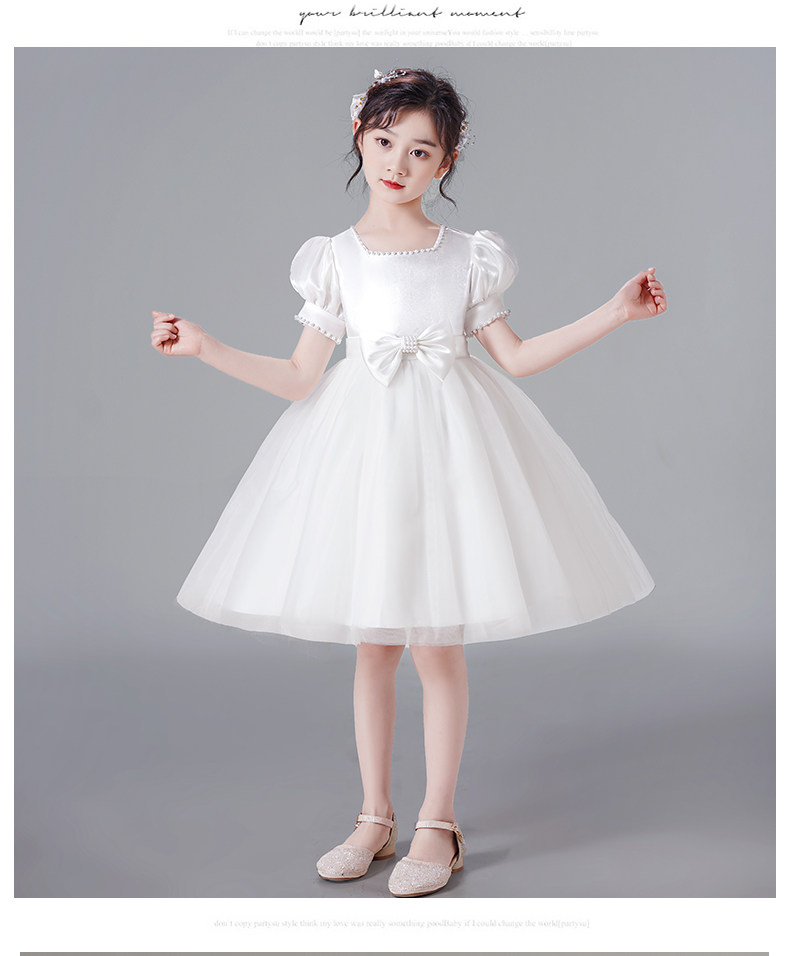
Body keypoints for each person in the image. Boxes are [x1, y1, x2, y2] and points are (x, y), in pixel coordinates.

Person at [150, 66, 667, 898]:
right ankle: (374, 816)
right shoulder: (334, 260)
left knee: (436, 640)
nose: (398, 161)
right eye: (385, 140)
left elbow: (517, 358)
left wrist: (616, 311)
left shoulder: (467, 256)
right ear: (360, 136)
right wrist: (205, 347)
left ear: (446, 163)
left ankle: (439, 821)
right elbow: (299, 377)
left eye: (421, 150)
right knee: (375, 642)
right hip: (365, 457)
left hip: (450, 454)